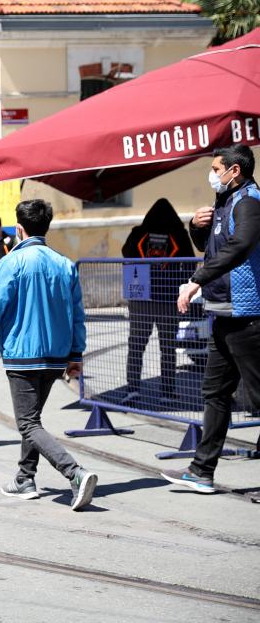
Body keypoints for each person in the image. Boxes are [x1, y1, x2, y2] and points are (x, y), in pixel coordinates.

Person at [0, 200, 99, 511]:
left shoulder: (12, 262)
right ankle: (24, 478)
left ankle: (74, 473)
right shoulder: (64, 264)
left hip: (23, 354)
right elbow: (77, 315)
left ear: (19, 228)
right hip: (56, 355)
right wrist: (76, 353)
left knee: (27, 423)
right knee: (33, 419)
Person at [165, 144, 260, 495]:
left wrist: (197, 280)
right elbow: (210, 249)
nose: (212, 175)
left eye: (216, 169)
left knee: (258, 398)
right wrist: (195, 227)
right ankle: (201, 471)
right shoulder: (223, 201)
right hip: (221, 314)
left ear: (235, 171)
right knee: (215, 393)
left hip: (248, 317)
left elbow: (241, 246)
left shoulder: (249, 202)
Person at [121, 199, 194, 401]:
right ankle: (167, 392)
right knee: (168, 347)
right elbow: (190, 263)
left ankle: (133, 389)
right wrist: (179, 282)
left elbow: (126, 252)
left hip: (140, 297)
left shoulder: (138, 233)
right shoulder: (179, 235)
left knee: (136, 345)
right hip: (168, 298)